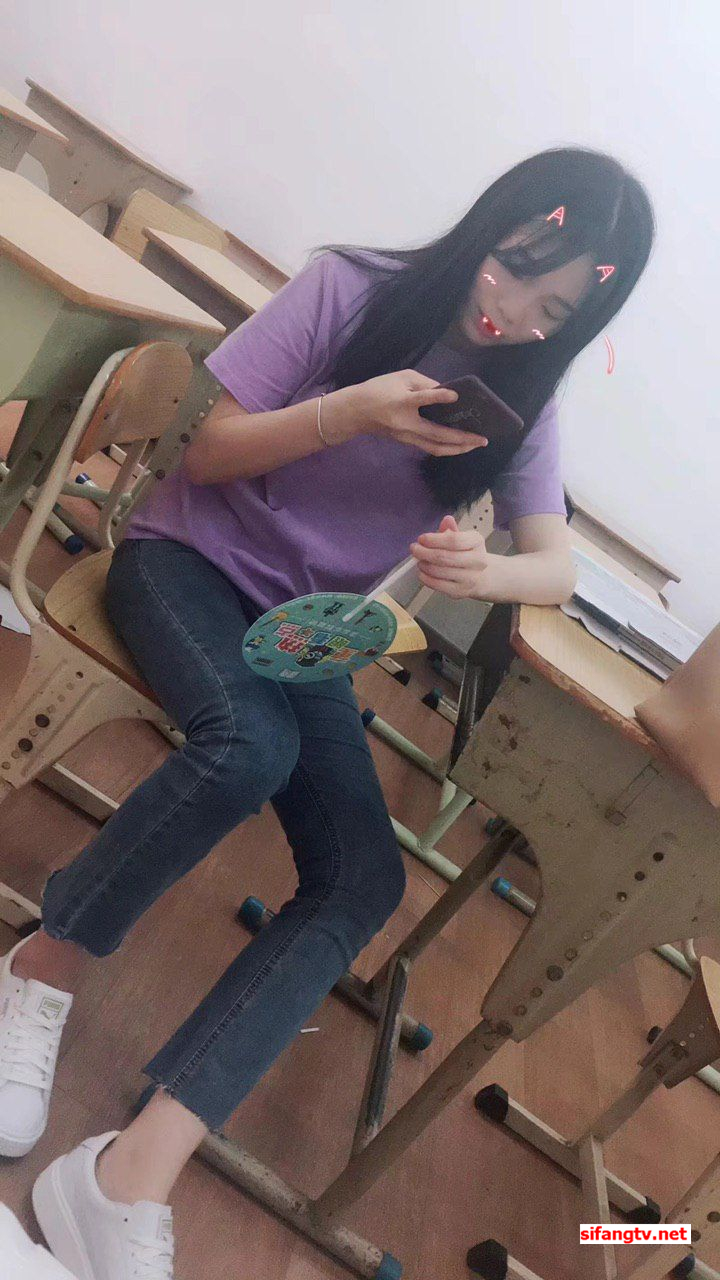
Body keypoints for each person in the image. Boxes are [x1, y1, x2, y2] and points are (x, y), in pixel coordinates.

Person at [0, 147, 654, 1280]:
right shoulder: (348, 290)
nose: (513, 316)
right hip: (185, 563)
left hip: (305, 638)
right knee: (245, 749)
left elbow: (555, 566)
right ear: (490, 228)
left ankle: (126, 1176)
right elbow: (206, 452)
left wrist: (483, 569)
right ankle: (42, 971)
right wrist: (350, 413)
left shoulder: (524, 405)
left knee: (363, 880)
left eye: (553, 312)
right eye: (512, 270)